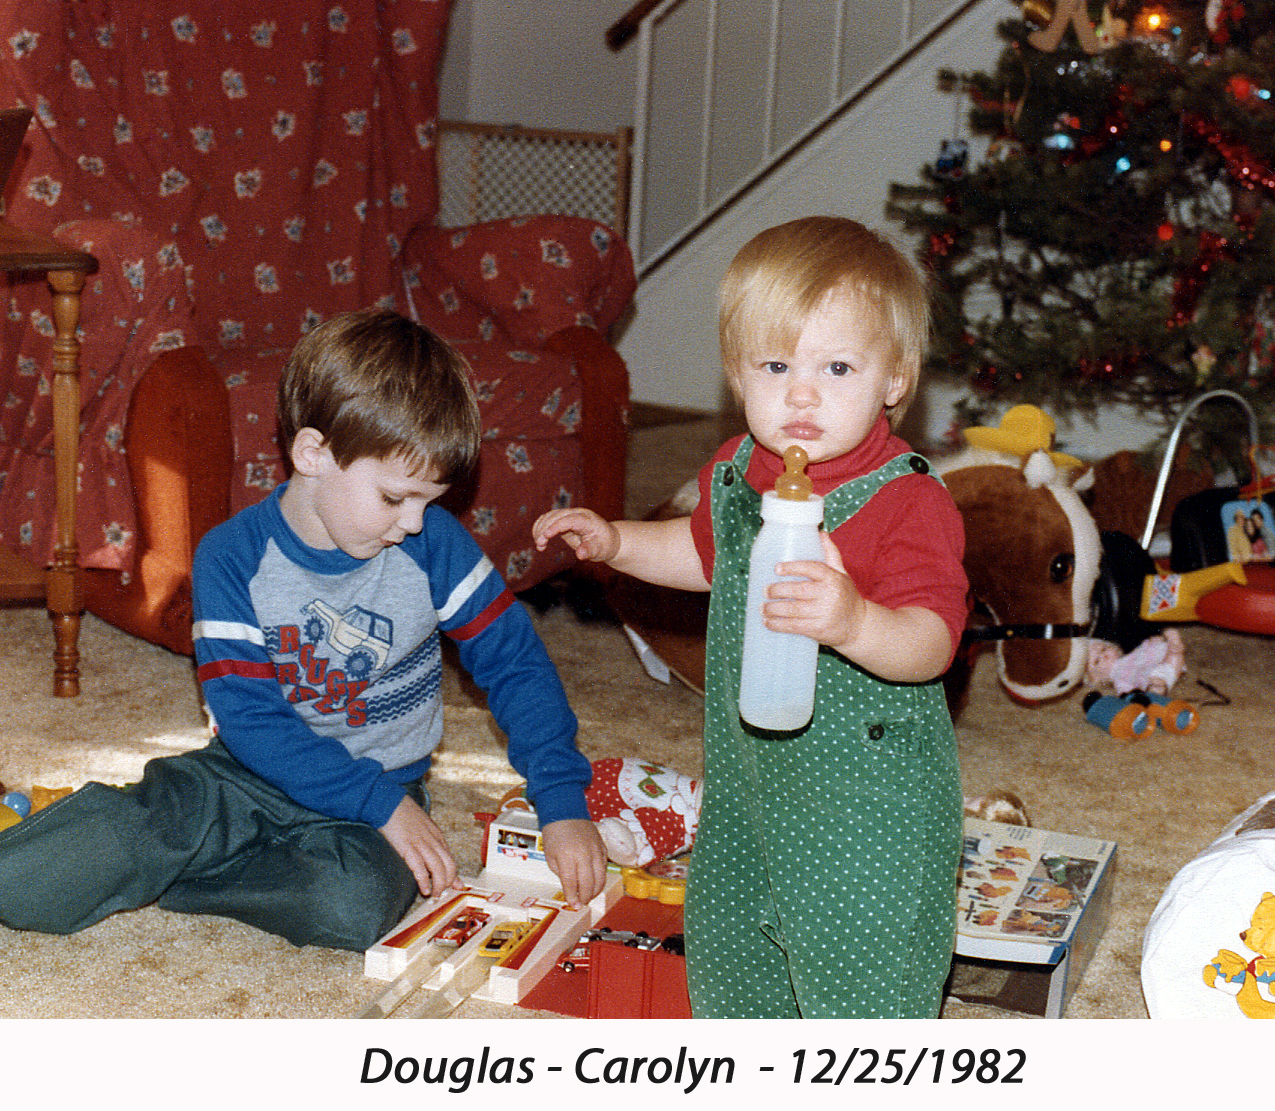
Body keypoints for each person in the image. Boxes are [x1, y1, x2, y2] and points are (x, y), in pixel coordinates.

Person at [0, 309, 606, 951]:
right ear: (313, 453)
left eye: (431, 500)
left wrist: (562, 802)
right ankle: (122, 843)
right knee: (44, 873)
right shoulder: (231, 555)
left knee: (350, 906)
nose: (416, 523)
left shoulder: (434, 545)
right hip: (244, 770)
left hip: (382, 786)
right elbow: (253, 721)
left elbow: (515, 664)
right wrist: (383, 808)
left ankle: (181, 874)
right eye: (396, 498)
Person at [534, 216, 969, 1018]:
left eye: (836, 366)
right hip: (748, 790)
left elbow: (932, 643)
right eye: (776, 364)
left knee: (859, 978)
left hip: (864, 814)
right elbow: (707, 556)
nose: (800, 393)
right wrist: (616, 539)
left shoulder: (908, 500)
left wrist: (853, 622)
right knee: (732, 958)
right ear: (738, 374)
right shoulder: (738, 468)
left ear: (894, 380)